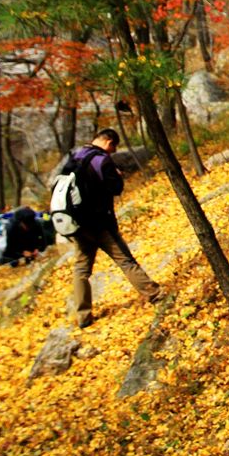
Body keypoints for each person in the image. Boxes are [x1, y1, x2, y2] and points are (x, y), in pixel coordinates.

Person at [62, 128, 160, 328]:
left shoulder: (75, 157)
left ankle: (83, 316)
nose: (112, 152)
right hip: (99, 223)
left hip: (78, 224)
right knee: (125, 260)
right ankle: (154, 294)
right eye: (113, 147)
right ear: (108, 142)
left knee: (81, 269)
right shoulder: (101, 160)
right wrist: (116, 175)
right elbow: (116, 188)